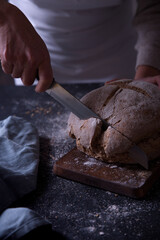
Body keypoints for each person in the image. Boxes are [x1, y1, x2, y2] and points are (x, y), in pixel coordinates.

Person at [0, 0, 160, 93]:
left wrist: (146, 74)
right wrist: (4, 16)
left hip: (124, 62)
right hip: (33, 57)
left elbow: (153, 8)